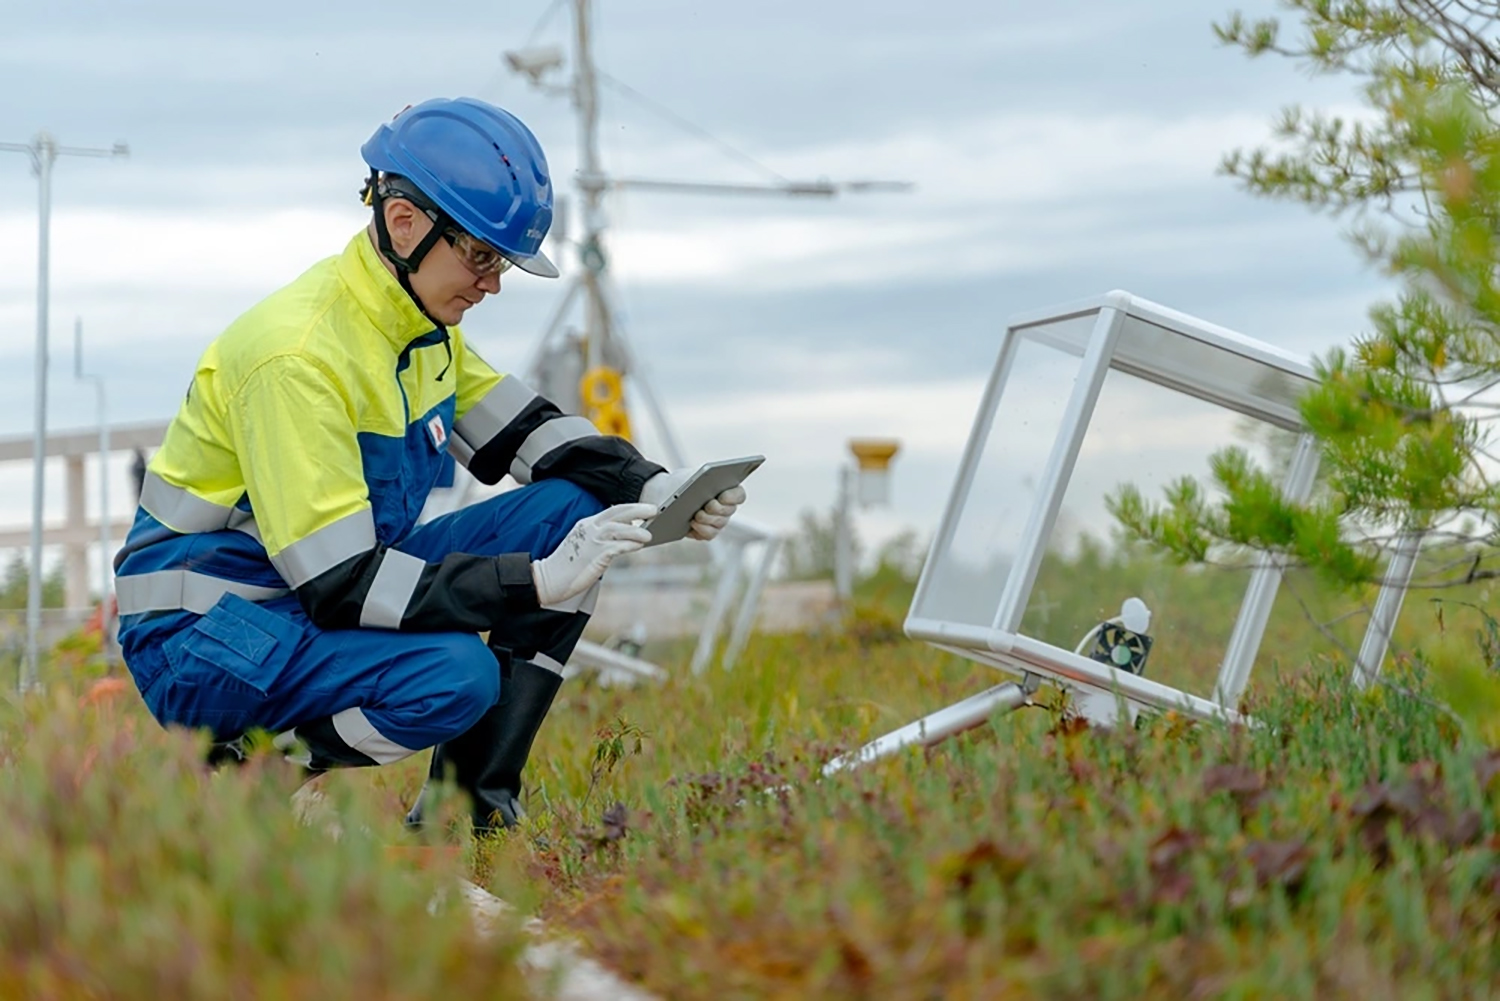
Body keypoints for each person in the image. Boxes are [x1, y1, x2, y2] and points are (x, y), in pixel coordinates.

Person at [113, 97, 746, 834]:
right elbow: (340, 585)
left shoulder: (417, 331)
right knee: (457, 676)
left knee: (573, 509)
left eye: (500, 261)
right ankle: (256, 773)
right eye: (480, 256)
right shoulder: (298, 356)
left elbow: (533, 432)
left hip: (296, 601)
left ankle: (471, 810)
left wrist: (655, 488)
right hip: (208, 642)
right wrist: (537, 581)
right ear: (406, 222)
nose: (493, 283)